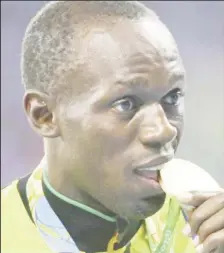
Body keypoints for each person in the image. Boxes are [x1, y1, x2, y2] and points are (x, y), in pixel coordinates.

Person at [2, 1, 224, 253]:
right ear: (45, 116)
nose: (164, 130)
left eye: (172, 97)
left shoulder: (202, 228)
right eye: (126, 103)